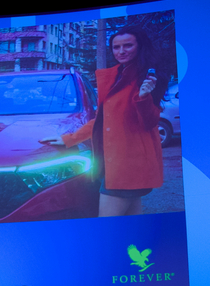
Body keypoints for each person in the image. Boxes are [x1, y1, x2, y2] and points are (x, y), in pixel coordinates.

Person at [40, 25, 167, 217]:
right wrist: (69, 139)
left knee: (107, 225)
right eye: (116, 47)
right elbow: (102, 121)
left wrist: (143, 97)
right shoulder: (114, 77)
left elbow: (150, 122)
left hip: (130, 165)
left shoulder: (148, 79)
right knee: (130, 223)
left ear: (140, 47)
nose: (121, 51)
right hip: (112, 164)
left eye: (128, 45)